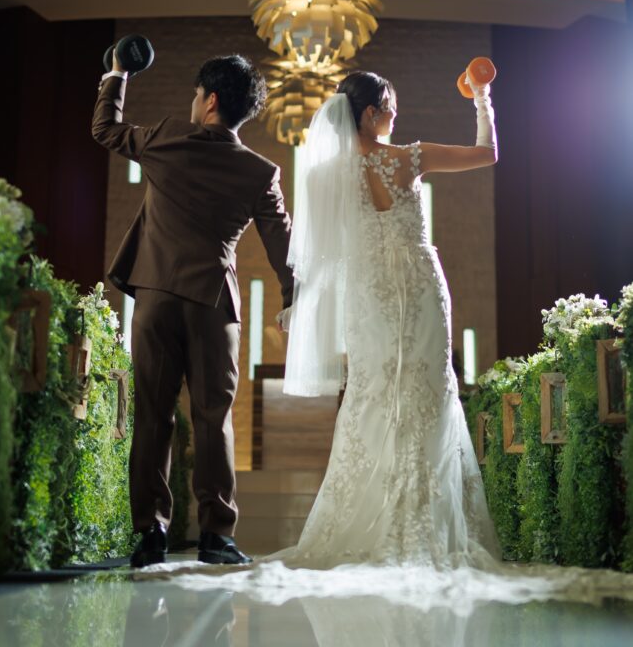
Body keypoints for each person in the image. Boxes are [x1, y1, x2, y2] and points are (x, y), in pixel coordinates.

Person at [274, 68, 501, 568]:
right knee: (425, 393)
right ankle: (424, 521)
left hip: (368, 294)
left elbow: (321, 257)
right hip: (420, 286)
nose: (397, 118)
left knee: (373, 394)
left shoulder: (319, 176)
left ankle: (373, 516)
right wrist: (481, 98)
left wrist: (301, 305)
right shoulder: (407, 158)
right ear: (372, 113)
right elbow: (487, 153)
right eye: (392, 108)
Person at [92, 52, 294, 568]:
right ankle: (217, 538)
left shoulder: (165, 138)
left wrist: (119, 73)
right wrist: (292, 299)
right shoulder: (260, 171)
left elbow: (105, 129)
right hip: (214, 306)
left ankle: (151, 534)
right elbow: (283, 247)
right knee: (213, 420)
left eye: (195, 95)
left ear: (211, 100)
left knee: (153, 418)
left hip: (156, 300)